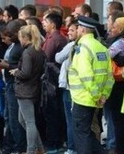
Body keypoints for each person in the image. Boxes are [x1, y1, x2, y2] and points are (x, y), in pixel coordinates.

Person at [68, 16, 114, 154]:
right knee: (86, 131)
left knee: (81, 134)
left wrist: (97, 95)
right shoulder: (102, 47)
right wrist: (104, 95)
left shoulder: (83, 48)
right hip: (96, 98)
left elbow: (85, 75)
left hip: (83, 97)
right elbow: (109, 76)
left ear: (82, 29)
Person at [9, 24, 46, 154]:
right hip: (34, 88)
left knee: (29, 122)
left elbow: (25, 73)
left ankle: (31, 150)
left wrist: (15, 72)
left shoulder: (27, 52)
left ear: (25, 37)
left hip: (25, 90)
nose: (20, 40)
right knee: (23, 120)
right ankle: (40, 148)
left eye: (20, 37)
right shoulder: (39, 51)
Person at [0, 19, 27, 154]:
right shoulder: (15, 45)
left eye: (10, 34)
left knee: (15, 118)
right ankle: (10, 145)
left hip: (15, 85)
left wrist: (7, 66)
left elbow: (23, 68)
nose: (8, 37)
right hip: (9, 84)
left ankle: (19, 147)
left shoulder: (22, 47)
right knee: (9, 117)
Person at [105, 16, 124, 154]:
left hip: (117, 84)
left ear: (121, 29)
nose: (111, 28)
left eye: (114, 26)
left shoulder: (120, 42)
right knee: (119, 118)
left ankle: (118, 148)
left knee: (117, 118)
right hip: (123, 82)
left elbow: (106, 55)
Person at [40, 12, 68, 153]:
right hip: (54, 81)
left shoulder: (54, 39)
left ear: (52, 24)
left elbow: (46, 58)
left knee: (53, 114)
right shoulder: (52, 38)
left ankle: (54, 144)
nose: (43, 23)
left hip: (52, 82)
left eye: (45, 21)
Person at [55, 21, 78, 154]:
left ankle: (71, 148)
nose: (68, 32)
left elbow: (58, 58)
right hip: (76, 87)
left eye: (72, 30)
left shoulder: (71, 45)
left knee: (70, 119)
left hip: (69, 86)